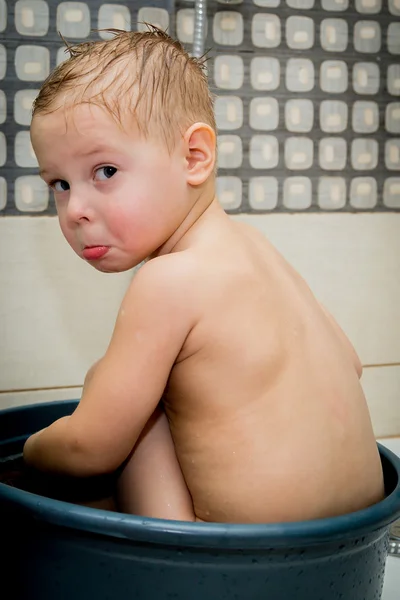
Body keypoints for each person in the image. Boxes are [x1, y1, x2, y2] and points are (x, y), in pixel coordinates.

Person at [24, 26, 384, 523]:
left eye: (104, 171)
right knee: (148, 388)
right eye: (59, 184)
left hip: (236, 566)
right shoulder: (257, 249)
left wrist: (32, 449)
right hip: (353, 538)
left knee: (119, 400)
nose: (75, 209)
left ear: (194, 157)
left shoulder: (167, 281)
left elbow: (90, 448)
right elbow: (350, 362)